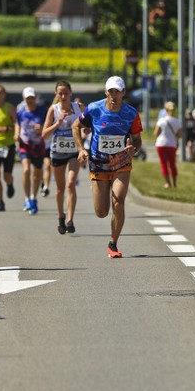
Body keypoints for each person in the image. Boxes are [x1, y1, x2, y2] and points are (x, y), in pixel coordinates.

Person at [72, 75, 143, 258]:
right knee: (102, 212)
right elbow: (75, 126)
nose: (114, 95)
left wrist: (133, 149)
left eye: (117, 91)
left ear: (123, 93)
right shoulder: (94, 109)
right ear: (106, 92)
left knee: (118, 202)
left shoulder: (131, 113)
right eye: (111, 91)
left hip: (121, 163)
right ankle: (98, 188)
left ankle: (113, 243)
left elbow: (137, 140)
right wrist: (80, 149)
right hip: (99, 162)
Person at [42, 80, 81, 234]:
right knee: (60, 189)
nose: (63, 96)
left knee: (70, 184)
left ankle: (70, 219)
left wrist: (83, 131)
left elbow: (87, 125)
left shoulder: (78, 108)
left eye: (66, 93)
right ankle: (60, 216)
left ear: (70, 93)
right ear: (56, 94)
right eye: (60, 93)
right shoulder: (53, 110)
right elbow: (44, 134)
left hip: (74, 151)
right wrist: (57, 123)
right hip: (57, 151)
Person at [16, 87, 47, 214]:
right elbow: (17, 123)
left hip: (38, 144)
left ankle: (34, 198)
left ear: (35, 98)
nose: (30, 100)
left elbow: (48, 124)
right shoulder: (21, 112)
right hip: (25, 144)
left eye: (32, 97)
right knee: (26, 170)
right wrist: (17, 134)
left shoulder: (42, 111)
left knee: (37, 174)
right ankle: (27, 198)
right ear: (24, 99)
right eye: (27, 98)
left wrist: (42, 128)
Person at [153, 101, 182, 188]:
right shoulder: (177, 121)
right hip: (172, 144)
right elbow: (180, 135)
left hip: (161, 144)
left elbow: (156, 133)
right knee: (172, 164)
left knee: (164, 164)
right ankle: (174, 183)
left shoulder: (161, 121)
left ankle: (168, 183)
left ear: (166, 110)